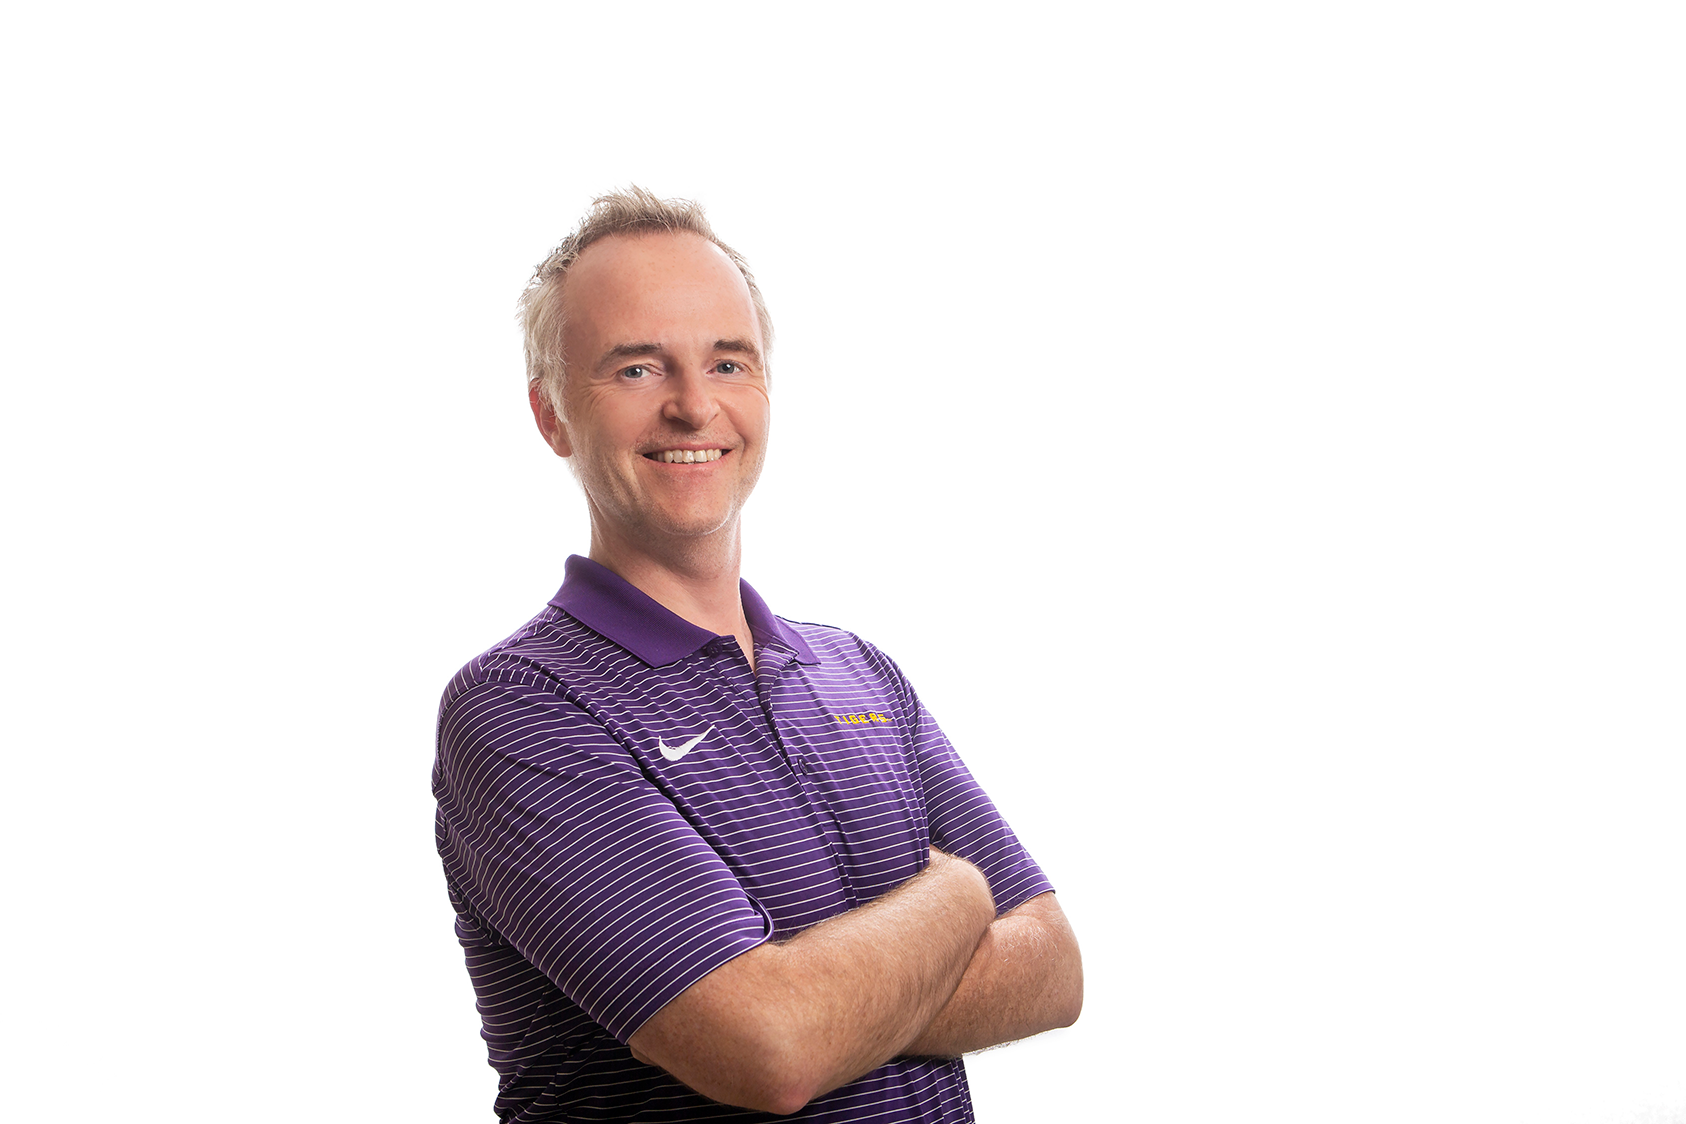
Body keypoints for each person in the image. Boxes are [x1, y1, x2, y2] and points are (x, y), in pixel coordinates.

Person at [433, 187, 1082, 1123]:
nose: (695, 406)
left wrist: (822, 994)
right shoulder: (522, 707)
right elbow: (771, 1048)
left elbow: (1054, 968)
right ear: (553, 414)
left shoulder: (859, 672)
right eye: (637, 368)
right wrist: (960, 891)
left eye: (728, 363)